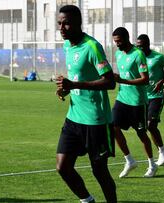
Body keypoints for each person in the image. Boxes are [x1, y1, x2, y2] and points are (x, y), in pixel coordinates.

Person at [55, 5, 116, 203]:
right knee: (62, 167)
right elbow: (75, 79)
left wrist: (74, 84)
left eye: (66, 23)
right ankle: (87, 200)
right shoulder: (67, 46)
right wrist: (66, 88)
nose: (62, 27)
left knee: (99, 171)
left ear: (78, 24)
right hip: (74, 117)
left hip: (96, 121)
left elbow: (109, 81)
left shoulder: (92, 46)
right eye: (59, 23)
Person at [112, 27, 158, 178]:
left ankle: (152, 164)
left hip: (138, 102)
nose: (117, 44)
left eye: (119, 41)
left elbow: (145, 79)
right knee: (112, 127)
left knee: (141, 134)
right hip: (122, 98)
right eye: (115, 42)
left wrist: (124, 80)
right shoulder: (118, 54)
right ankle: (129, 160)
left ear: (126, 38)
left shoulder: (138, 55)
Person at [136, 34, 164, 166]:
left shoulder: (158, 57)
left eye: (141, 46)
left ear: (147, 44)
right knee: (145, 127)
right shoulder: (136, 57)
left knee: (151, 125)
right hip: (142, 97)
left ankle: (162, 152)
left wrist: (161, 81)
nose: (139, 48)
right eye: (137, 46)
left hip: (156, 96)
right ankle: (162, 152)